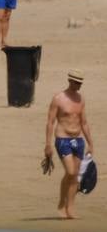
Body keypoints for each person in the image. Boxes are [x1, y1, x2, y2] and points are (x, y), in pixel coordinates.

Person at [45, 70, 93, 219]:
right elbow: (50, 122)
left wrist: (90, 143)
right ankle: (61, 202)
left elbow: (83, 122)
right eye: (77, 82)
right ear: (70, 81)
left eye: (81, 83)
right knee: (71, 172)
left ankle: (70, 208)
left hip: (78, 140)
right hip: (63, 139)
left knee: (75, 176)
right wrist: (48, 144)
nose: (79, 85)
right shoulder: (58, 99)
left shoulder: (80, 99)